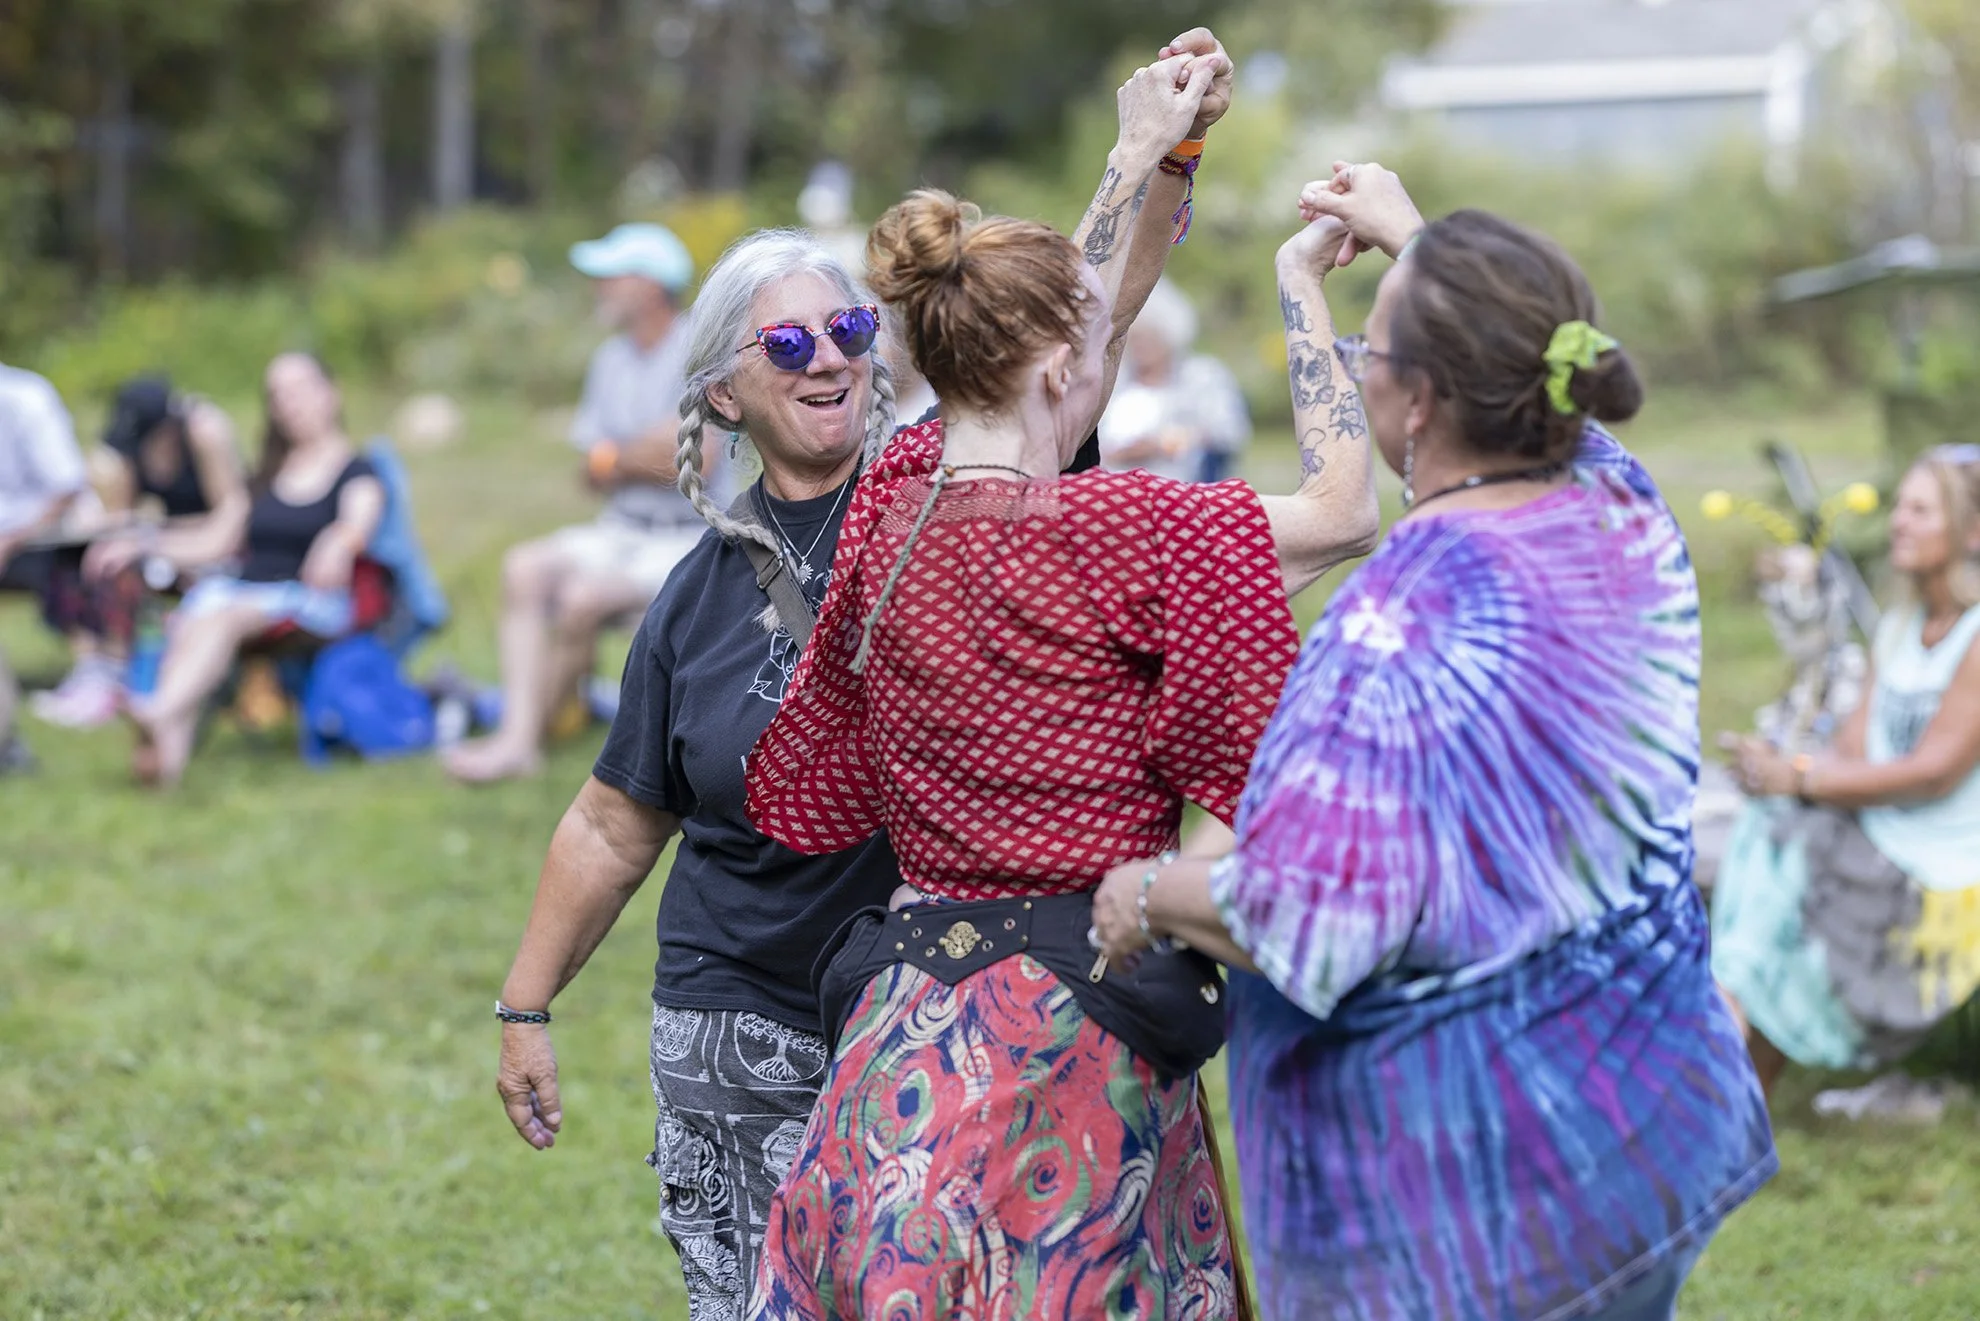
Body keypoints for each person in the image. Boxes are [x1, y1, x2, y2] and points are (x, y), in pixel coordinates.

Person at [490, 32, 1239, 1321]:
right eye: (785, 346)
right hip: (741, 1020)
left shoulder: (942, 492)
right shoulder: (693, 596)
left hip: (939, 998)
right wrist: (525, 1005)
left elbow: (1078, 317)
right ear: (722, 395)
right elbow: (617, 818)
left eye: (845, 329)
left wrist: (1158, 151)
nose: (828, 357)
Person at [739, 75, 1382, 1321]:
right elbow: (1346, 507)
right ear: (1051, 365)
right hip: (1073, 1048)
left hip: (904, 1039)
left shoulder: (887, 515)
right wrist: (1303, 288)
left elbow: (1036, 332)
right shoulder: (1144, 529)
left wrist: (1142, 161)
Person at [1091, 166, 1778, 1320]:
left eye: (1369, 352)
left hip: (1470, 1209)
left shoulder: (1397, 619)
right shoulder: (1621, 514)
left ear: (1416, 404)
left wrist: (1148, 889)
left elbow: (1312, 914)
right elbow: (1550, 388)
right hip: (1644, 1130)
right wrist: (1421, 249)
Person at [1715, 445, 1980, 1113]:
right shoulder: (1902, 625)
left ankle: (1729, 1053)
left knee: (1787, 837)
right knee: (1769, 823)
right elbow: (1851, 750)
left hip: (1943, 864)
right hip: (1885, 834)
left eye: (1921, 509)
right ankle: (1733, 1047)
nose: (1898, 522)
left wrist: (1799, 777)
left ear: (1972, 531)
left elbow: (1932, 773)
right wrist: (1777, 762)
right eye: (1899, 508)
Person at [445, 222, 719, 782]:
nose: (597, 287)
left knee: (581, 600)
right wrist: (642, 448)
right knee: (524, 567)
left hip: (690, 539)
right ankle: (519, 735)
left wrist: (620, 456)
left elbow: (692, 465)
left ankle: (526, 736)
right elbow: (589, 470)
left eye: (608, 276)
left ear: (647, 285)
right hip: (620, 527)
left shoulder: (701, 347)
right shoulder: (609, 360)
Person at [126, 353, 385, 787]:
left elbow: (362, 517)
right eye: (276, 395)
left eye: (299, 389)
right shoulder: (269, 473)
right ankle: (165, 764)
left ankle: (158, 713)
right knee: (190, 621)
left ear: (331, 393)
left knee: (220, 618)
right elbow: (218, 539)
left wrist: (341, 540)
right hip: (242, 593)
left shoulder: (357, 470)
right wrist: (141, 542)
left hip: (309, 601)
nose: (287, 403)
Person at [29, 376, 250, 728]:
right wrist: (99, 523)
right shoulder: (133, 444)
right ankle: (93, 670)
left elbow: (229, 524)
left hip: (214, 551)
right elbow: (122, 515)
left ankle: (117, 676)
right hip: (162, 542)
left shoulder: (205, 433)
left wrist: (149, 539)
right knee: (83, 558)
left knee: (126, 564)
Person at [0, 362, 90, 769]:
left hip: (47, 533)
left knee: (64, 564)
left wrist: (8, 542)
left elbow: (66, 489)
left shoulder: (25, 398)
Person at [1096, 277, 1251, 482]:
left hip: (1183, 485)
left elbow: (1229, 432)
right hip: (1116, 486)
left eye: (1150, 338)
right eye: (1136, 339)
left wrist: (1162, 444)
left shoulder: (1203, 375)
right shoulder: (1116, 380)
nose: (1142, 347)